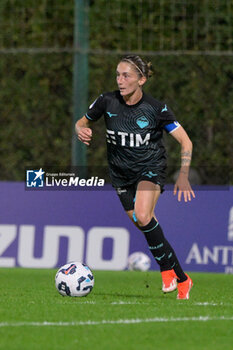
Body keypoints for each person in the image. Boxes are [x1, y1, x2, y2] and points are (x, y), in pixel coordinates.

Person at [75, 55, 195, 300]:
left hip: (150, 169)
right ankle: (183, 278)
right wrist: (81, 129)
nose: (120, 80)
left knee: (143, 215)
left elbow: (185, 141)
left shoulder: (155, 109)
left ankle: (165, 270)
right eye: (118, 75)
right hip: (120, 175)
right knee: (145, 223)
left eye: (126, 75)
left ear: (141, 80)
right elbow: (81, 122)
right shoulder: (106, 101)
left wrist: (183, 175)